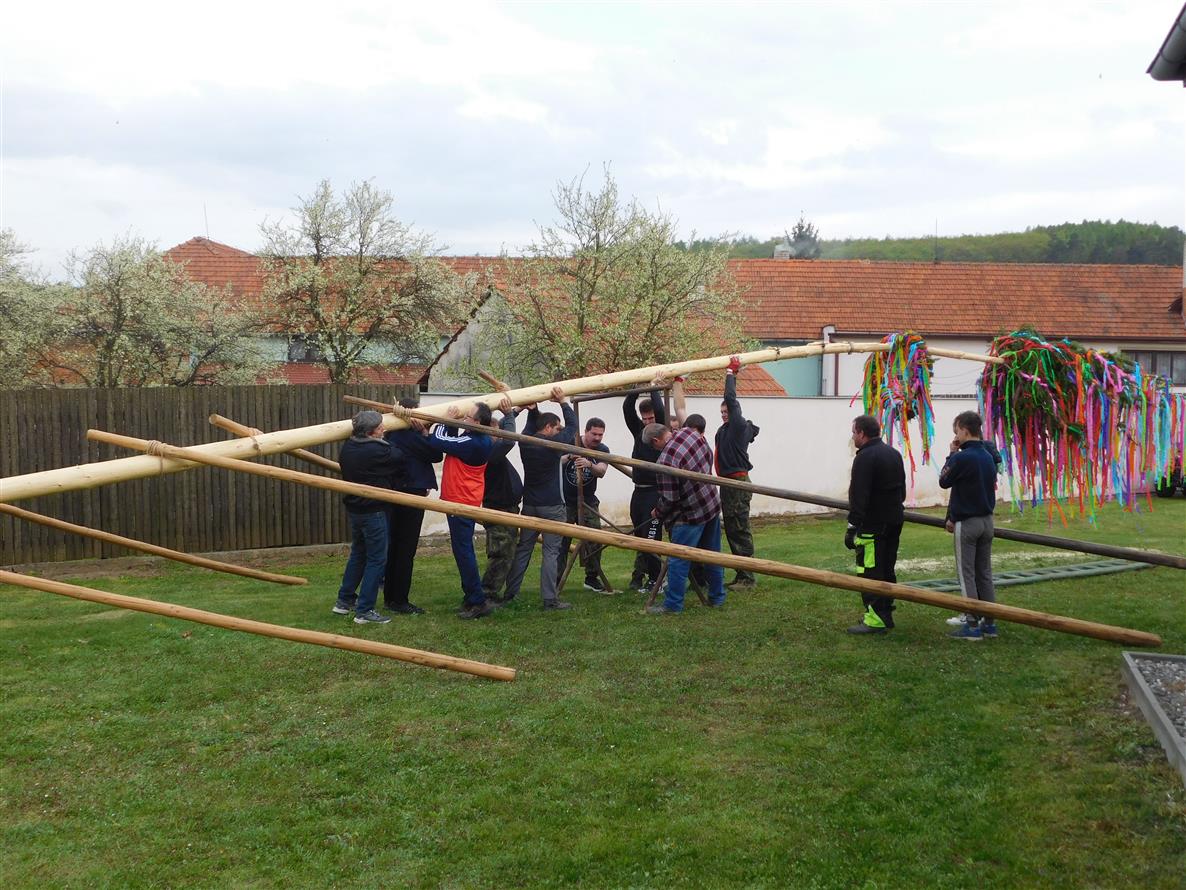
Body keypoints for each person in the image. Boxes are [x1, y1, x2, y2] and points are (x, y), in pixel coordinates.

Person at [502, 386, 577, 610]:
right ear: (548, 427)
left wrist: (531, 410)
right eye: (556, 428)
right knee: (551, 552)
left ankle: (510, 593)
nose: (559, 431)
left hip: (531, 504)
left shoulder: (525, 442)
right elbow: (572, 426)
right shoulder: (552, 445)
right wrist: (563, 402)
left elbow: (530, 427)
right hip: (552, 506)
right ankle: (550, 599)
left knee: (523, 548)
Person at [425, 402, 497, 619]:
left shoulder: (473, 442)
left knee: (464, 551)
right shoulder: (474, 438)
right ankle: (471, 597)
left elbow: (438, 441)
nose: (464, 419)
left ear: (477, 422)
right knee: (462, 550)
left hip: (461, 500)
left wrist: (446, 419)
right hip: (463, 498)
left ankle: (477, 600)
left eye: (468, 417)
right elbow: (451, 442)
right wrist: (452, 424)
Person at [646, 419, 726, 614]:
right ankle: (717, 597)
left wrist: (658, 512)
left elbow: (670, 498)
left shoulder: (665, 461)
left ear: (656, 440)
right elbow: (708, 457)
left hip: (690, 515)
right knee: (713, 555)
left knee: (678, 560)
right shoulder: (690, 432)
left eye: (653, 446)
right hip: (710, 503)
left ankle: (673, 605)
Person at [332, 410, 404, 625]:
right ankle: (364, 610)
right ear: (372, 432)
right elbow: (399, 457)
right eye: (381, 427)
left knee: (359, 554)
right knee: (377, 559)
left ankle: (344, 601)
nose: (384, 429)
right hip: (374, 510)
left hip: (356, 510)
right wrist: (388, 438)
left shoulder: (349, 446)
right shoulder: (376, 450)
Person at [939, 411, 999, 640]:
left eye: (957, 432)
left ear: (964, 430)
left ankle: (972, 624)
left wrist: (951, 454)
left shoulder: (962, 458)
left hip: (968, 522)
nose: (956, 436)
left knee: (966, 575)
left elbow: (944, 480)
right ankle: (989, 622)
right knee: (984, 573)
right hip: (987, 521)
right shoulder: (988, 456)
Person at [844, 414, 907, 635]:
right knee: (887, 568)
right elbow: (902, 491)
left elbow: (859, 495)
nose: (853, 437)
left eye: (854, 432)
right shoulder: (893, 453)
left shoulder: (864, 458)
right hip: (894, 520)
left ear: (862, 433)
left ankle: (875, 618)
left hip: (873, 525)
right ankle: (886, 613)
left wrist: (852, 526)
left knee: (870, 570)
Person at [382, 397, 442, 615]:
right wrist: (425, 433)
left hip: (397, 492)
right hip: (410, 494)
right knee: (405, 549)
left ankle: (391, 597)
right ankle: (399, 600)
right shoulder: (408, 435)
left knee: (395, 547)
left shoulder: (392, 433)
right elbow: (436, 454)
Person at [715, 356, 760, 589]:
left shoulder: (737, 426)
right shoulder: (724, 430)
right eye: (721, 411)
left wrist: (731, 374)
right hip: (727, 483)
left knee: (739, 529)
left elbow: (731, 400)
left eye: (727, 411)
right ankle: (742, 573)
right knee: (732, 529)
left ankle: (747, 577)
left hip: (737, 483)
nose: (724, 414)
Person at [623, 381, 669, 591]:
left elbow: (660, 409)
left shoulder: (660, 432)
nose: (649, 422)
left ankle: (657, 579)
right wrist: (635, 387)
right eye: (645, 419)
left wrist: (654, 387)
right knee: (640, 536)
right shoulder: (638, 431)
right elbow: (627, 409)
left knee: (652, 536)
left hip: (655, 491)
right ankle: (647, 576)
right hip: (638, 491)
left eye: (651, 418)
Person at [557, 417, 611, 592]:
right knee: (561, 541)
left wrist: (589, 464)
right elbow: (554, 462)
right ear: (586, 431)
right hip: (565, 502)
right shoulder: (570, 442)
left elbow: (602, 471)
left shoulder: (602, 449)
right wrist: (569, 456)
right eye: (594, 434)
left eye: (600, 435)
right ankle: (556, 579)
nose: (597, 438)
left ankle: (591, 577)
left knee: (595, 538)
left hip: (588, 501)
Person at [481, 400, 523, 602]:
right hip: (497, 508)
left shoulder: (491, 445)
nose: (499, 435)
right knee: (500, 552)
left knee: (507, 551)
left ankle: (491, 592)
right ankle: (487, 593)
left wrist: (515, 411)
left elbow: (504, 432)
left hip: (507, 507)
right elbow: (508, 441)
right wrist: (508, 415)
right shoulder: (487, 451)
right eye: (495, 433)